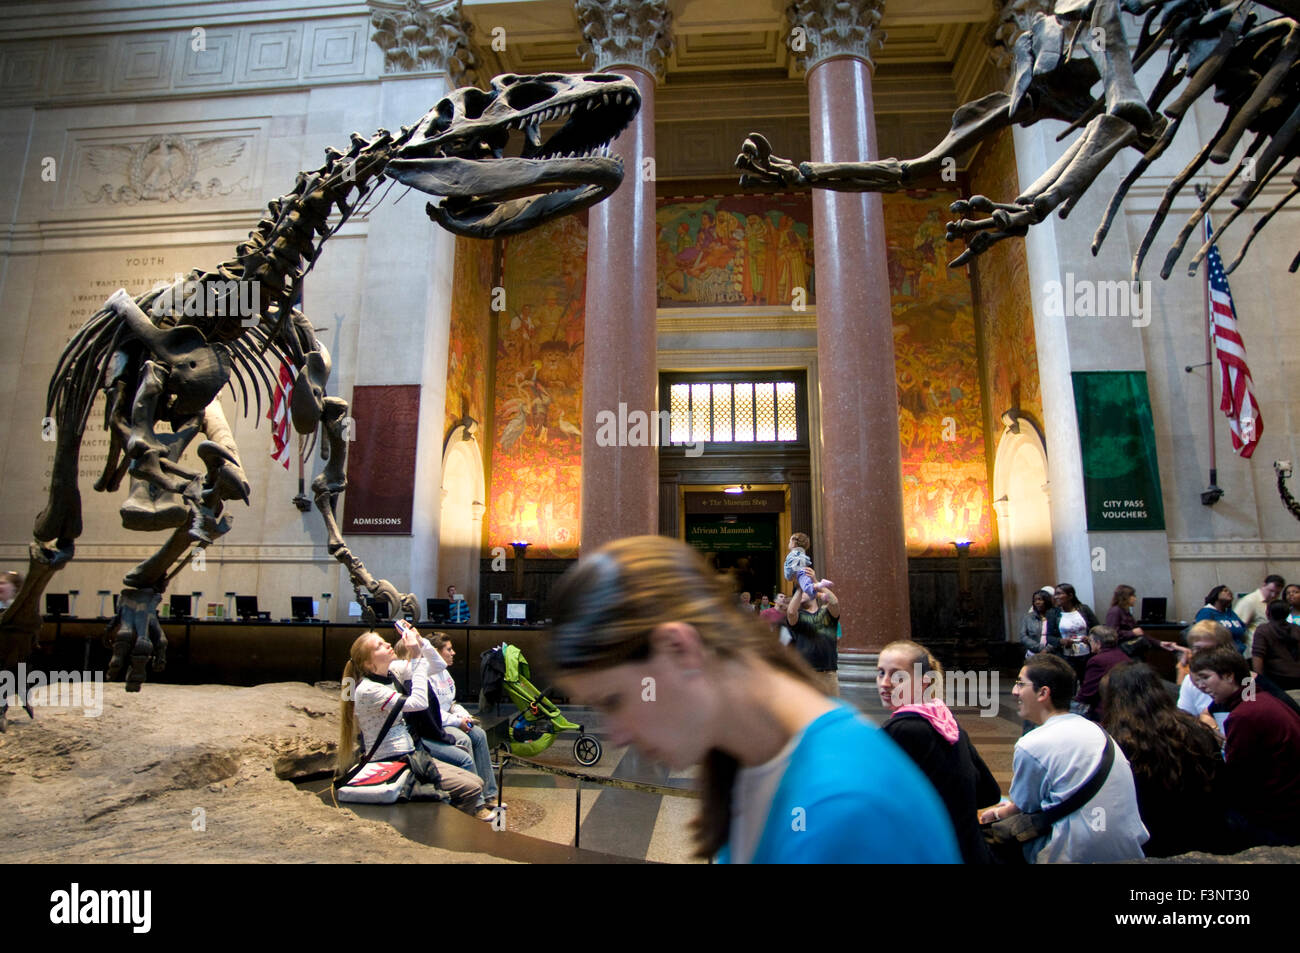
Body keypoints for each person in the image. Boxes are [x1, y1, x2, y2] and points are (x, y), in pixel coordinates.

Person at [547, 535, 960, 864]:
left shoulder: (848, 808)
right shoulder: (747, 760)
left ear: (679, 649)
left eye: (615, 700)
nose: (616, 735)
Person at [978, 654, 1149, 863]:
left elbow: (1026, 806)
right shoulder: (1098, 732)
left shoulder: (1032, 744)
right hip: (1126, 849)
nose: (1014, 691)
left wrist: (998, 814)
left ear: (1043, 692)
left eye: (1020, 684)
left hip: (1075, 853)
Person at [336, 629, 488, 818]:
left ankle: (450, 823)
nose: (388, 644)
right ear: (368, 662)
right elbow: (418, 703)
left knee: (475, 782)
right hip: (393, 761)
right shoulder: (368, 689)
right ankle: (448, 830)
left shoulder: (393, 672)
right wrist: (416, 656)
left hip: (412, 754)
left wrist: (420, 641)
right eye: (379, 646)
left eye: (385, 641)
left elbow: (438, 665)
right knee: (471, 787)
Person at [877, 640, 1002, 864]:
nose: (885, 683)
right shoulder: (947, 723)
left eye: (898, 676)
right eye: (880, 673)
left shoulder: (900, 730)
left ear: (925, 682)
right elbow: (989, 792)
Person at [1100, 662, 1233, 857]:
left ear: (1113, 699)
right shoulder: (1197, 732)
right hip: (1204, 831)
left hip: (1150, 839)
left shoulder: (1111, 743)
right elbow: (1221, 785)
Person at [1192, 646, 1300, 846]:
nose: (1200, 686)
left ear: (1229, 676)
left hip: (1280, 817)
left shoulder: (1244, 715)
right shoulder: (1260, 697)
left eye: (1205, 677)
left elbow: (1236, 776)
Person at [426, 632, 503, 810]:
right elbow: (434, 712)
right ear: (435, 652)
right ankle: (478, 802)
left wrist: (464, 716)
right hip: (439, 724)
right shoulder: (427, 676)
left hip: (450, 719)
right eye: (449, 649)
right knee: (465, 739)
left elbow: (451, 703)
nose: (453, 653)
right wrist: (456, 722)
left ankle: (490, 794)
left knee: (479, 734)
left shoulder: (444, 673)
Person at [1173, 620, 1234, 738]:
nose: (1203, 656)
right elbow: (1185, 718)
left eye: (1208, 650)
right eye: (1197, 649)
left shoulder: (1246, 680)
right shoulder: (1189, 681)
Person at [786, 584, 840, 696]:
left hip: (828, 673)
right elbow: (791, 612)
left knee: (831, 708)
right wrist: (800, 588)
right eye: (797, 593)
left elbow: (834, 602)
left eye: (804, 591)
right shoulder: (798, 616)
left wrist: (817, 585)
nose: (800, 595)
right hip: (806, 673)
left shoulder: (826, 612)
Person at [1073, 625, 1129, 721]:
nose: (1089, 644)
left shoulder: (1097, 661)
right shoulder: (1124, 656)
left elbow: (1087, 694)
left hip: (1105, 710)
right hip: (1124, 705)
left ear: (1098, 643)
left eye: (1090, 641)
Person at [1048, 583, 1100, 682]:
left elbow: (1097, 628)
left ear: (1070, 596)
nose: (1056, 597)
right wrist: (1061, 641)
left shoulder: (1084, 609)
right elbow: (1049, 637)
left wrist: (1089, 638)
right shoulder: (1053, 613)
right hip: (1066, 656)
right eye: (1055, 594)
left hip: (1086, 654)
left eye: (1059, 594)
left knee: (1087, 681)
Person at [1250, 600, 1300, 693]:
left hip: (1276, 679)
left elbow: (1258, 657)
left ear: (1268, 613)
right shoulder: (1296, 629)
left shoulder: (1263, 629)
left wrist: (1260, 680)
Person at [1234, 574, 1285, 648]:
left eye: (1277, 593)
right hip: (1254, 648)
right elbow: (1238, 627)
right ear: (1264, 585)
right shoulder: (1250, 601)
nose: (1273, 595)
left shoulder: (1273, 602)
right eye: (1270, 591)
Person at [1195, 585, 1248, 655]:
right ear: (1215, 595)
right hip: (1219, 657)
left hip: (1238, 655)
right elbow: (1203, 636)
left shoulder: (1231, 613)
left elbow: (1243, 630)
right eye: (1225, 591)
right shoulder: (1206, 612)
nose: (1229, 592)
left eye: (1230, 592)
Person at [783, 532, 832, 603]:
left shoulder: (792, 554)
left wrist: (789, 575)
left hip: (799, 573)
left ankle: (820, 585)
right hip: (803, 572)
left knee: (807, 587)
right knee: (807, 588)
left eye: (789, 541)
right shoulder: (801, 553)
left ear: (793, 543)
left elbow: (791, 570)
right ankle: (821, 594)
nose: (788, 543)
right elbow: (805, 561)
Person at [1019, 587, 1057, 658]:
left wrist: (1047, 649)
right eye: (1035, 600)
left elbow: (1057, 635)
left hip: (1052, 654)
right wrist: (1040, 648)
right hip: (1033, 654)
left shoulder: (1055, 615)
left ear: (1046, 600)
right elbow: (1023, 636)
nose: (1037, 602)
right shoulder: (1028, 617)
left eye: (1040, 599)